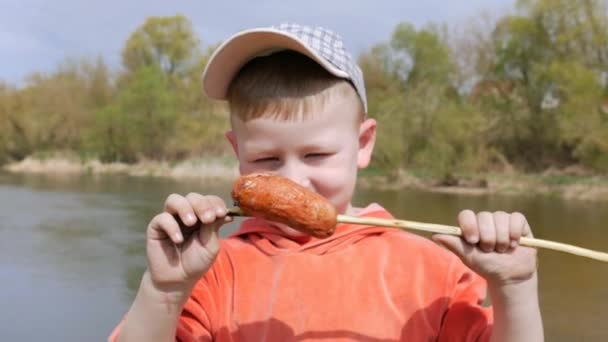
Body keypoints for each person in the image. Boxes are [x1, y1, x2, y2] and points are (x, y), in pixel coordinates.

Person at [110, 23, 543, 341]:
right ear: (237, 154)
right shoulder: (211, 271)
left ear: (364, 144)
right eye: (265, 158)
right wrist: (165, 291)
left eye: (317, 155)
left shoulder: (434, 270)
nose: (295, 179)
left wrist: (515, 291)